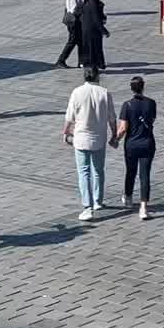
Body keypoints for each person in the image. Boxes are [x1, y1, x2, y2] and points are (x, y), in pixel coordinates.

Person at [63, 67, 118, 220]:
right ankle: (98, 200)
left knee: (84, 172)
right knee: (98, 170)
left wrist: (66, 132)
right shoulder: (105, 93)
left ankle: (87, 206)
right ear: (97, 76)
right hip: (99, 138)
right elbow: (112, 118)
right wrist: (114, 135)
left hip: (80, 138)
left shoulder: (77, 92)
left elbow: (70, 117)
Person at [117, 75, 157, 220]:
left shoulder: (127, 105)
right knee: (145, 175)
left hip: (131, 145)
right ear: (143, 86)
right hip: (147, 143)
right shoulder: (151, 103)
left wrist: (115, 140)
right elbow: (152, 120)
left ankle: (128, 198)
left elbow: (122, 128)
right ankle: (143, 208)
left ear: (131, 88)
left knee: (131, 171)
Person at [55, 0, 87, 69]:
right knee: (72, 41)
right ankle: (61, 60)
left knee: (80, 41)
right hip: (73, 21)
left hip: (76, 21)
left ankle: (82, 62)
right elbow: (74, 10)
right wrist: (83, 9)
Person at [78, 0, 107, 73]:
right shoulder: (93, 5)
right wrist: (104, 31)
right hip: (93, 32)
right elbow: (96, 19)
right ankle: (94, 65)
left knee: (89, 48)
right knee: (94, 49)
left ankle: (90, 64)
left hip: (87, 30)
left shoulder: (87, 3)